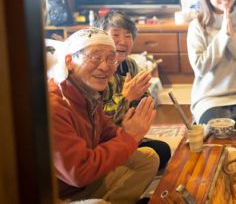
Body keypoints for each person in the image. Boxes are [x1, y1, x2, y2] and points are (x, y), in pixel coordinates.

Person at [48, 27, 159, 203]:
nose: (105, 66)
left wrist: (132, 132)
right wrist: (129, 137)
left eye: (111, 59)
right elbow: (78, 173)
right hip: (57, 195)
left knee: (148, 158)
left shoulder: (87, 92)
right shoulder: (53, 105)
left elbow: (107, 132)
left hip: (83, 186)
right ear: (69, 61)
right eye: (96, 58)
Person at [95, 11, 171, 171]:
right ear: (102, 37)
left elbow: (144, 100)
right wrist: (125, 97)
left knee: (162, 151)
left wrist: (144, 103)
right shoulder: (96, 70)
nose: (122, 41)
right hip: (101, 142)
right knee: (147, 159)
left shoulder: (130, 64)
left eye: (128, 36)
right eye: (115, 34)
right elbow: (97, 118)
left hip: (126, 134)